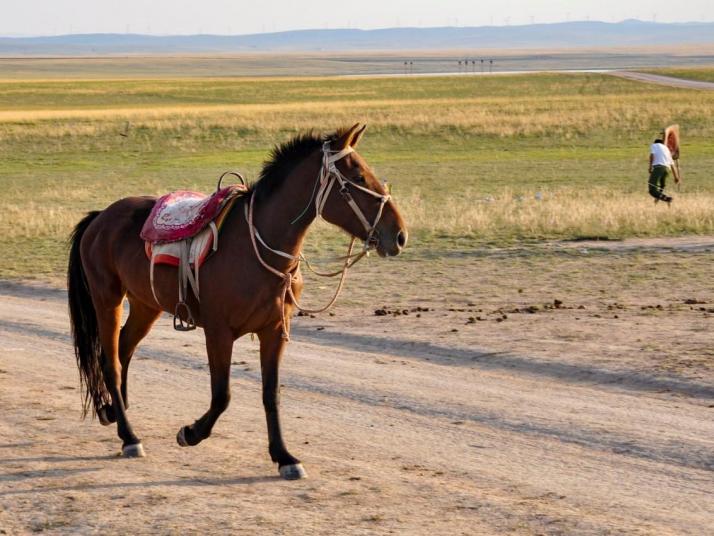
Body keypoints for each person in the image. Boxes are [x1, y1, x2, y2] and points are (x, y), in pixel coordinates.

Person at [648, 136, 680, 204]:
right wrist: (676, 177)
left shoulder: (654, 145)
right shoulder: (667, 150)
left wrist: (650, 167)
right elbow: (672, 165)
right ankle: (658, 198)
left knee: (652, 188)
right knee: (661, 185)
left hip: (659, 168)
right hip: (667, 170)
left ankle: (667, 199)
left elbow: (652, 155)